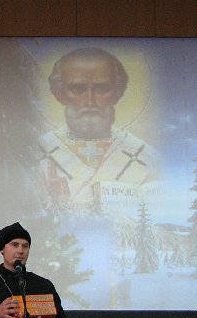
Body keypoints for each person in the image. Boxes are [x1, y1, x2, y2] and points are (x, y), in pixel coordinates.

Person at [36, 47, 158, 212]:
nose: (90, 101)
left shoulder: (147, 159)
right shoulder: (37, 152)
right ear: (60, 94)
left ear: (116, 93)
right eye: (77, 89)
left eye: (101, 89)